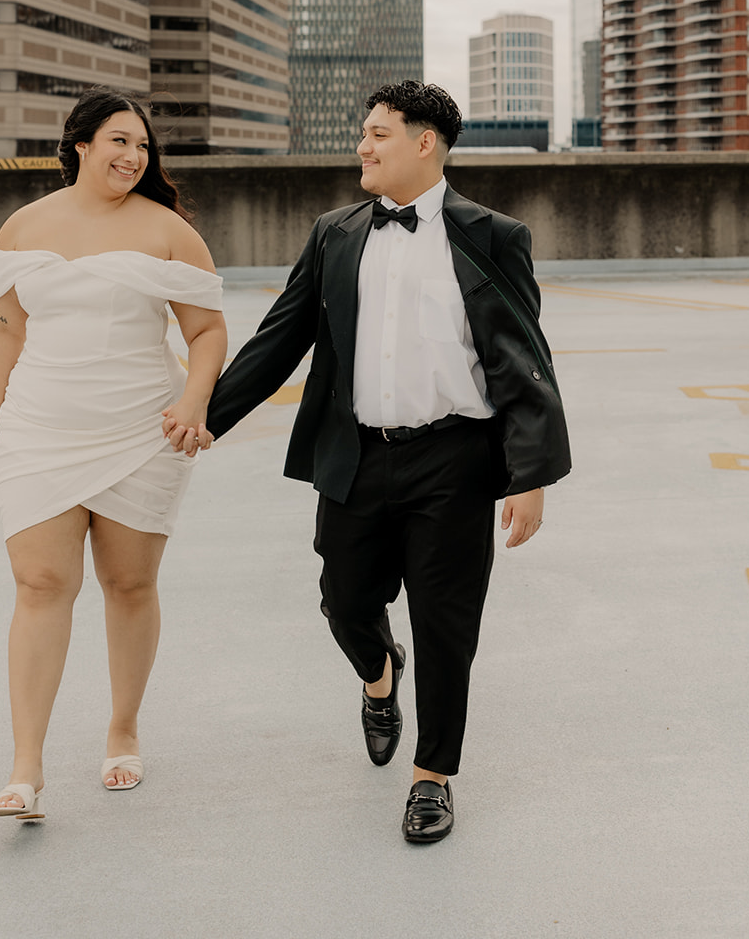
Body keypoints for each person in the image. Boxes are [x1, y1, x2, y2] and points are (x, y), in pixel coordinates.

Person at [185, 81, 570, 844]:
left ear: (424, 143)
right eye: (363, 133)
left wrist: (529, 476)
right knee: (345, 600)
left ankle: (432, 778)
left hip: (455, 458)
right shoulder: (334, 232)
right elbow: (281, 335)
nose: (362, 146)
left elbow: (523, 359)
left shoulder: (492, 235)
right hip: (356, 455)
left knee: (446, 623)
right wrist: (208, 414)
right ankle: (377, 672)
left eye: (377, 133)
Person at [0, 88, 224, 821]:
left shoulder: (168, 230)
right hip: (39, 427)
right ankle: (26, 768)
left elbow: (207, 333)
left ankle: (122, 727)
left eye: (142, 146)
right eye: (118, 141)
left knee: (128, 583)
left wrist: (194, 400)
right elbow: (4, 329)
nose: (132, 157)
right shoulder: (24, 227)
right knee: (40, 583)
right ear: (79, 145)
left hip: (141, 429)